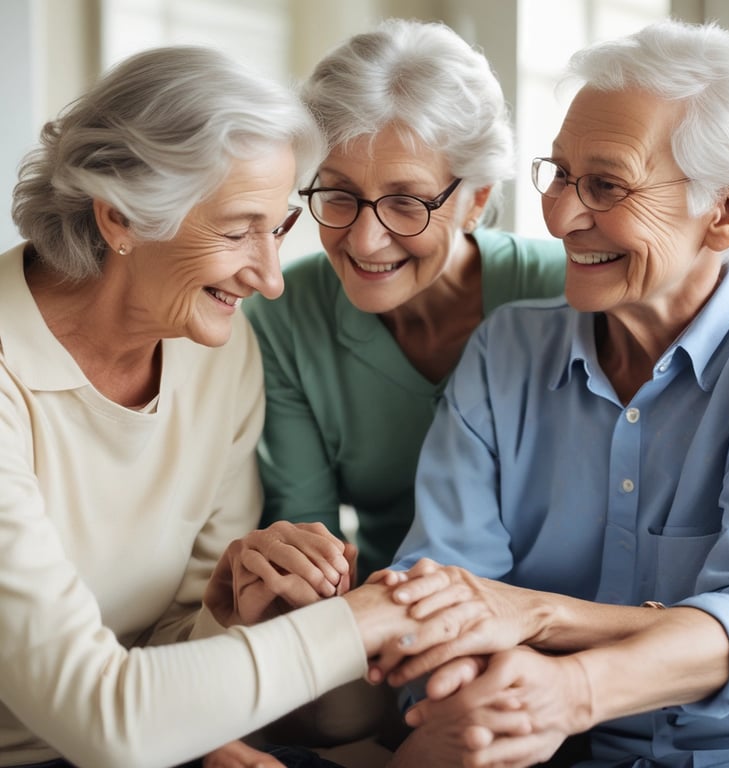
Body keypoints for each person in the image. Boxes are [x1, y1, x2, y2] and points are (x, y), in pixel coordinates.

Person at [0, 45, 477, 768]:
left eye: (279, 228)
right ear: (120, 218)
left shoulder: (216, 351)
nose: (270, 278)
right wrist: (372, 615)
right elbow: (105, 721)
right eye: (236, 230)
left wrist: (231, 610)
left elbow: (169, 644)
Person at [383, 18, 729, 768]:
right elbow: (440, 588)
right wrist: (462, 680)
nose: (559, 217)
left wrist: (543, 634)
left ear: (726, 212)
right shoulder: (507, 351)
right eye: (557, 174)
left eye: (605, 184)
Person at [243, 17, 566, 586]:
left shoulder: (563, 295)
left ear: (475, 200)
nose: (365, 240)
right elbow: (308, 544)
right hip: (392, 618)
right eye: (339, 193)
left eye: (407, 202)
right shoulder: (285, 319)